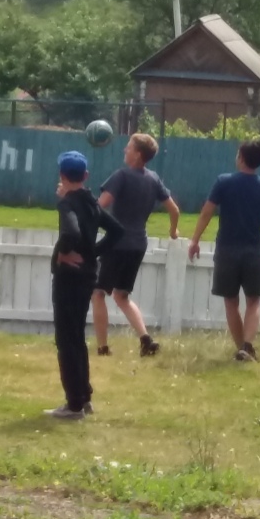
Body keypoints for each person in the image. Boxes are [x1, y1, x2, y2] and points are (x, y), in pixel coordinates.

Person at [45, 150, 123, 420]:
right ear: (86, 175)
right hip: (88, 275)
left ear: (61, 175)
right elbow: (117, 231)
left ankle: (74, 404)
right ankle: (84, 397)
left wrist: (62, 254)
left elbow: (70, 232)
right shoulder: (91, 202)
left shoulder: (67, 204)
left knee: (66, 340)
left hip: (69, 278)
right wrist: (92, 253)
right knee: (77, 337)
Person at [188, 139, 260, 362]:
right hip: (254, 250)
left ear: (241, 158)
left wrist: (195, 240)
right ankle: (247, 347)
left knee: (231, 302)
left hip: (226, 250)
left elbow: (206, 213)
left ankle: (242, 347)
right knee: (254, 301)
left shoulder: (224, 182)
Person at [92, 134, 180, 357]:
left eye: (129, 147)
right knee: (122, 296)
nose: (125, 150)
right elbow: (174, 210)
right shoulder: (153, 179)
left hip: (117, 243)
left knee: (98, 293)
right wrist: (173, 231)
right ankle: (146, 340)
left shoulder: (121, 176)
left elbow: (100, 206)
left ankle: (102, 347)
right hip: (138, 243)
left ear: (138, 154)